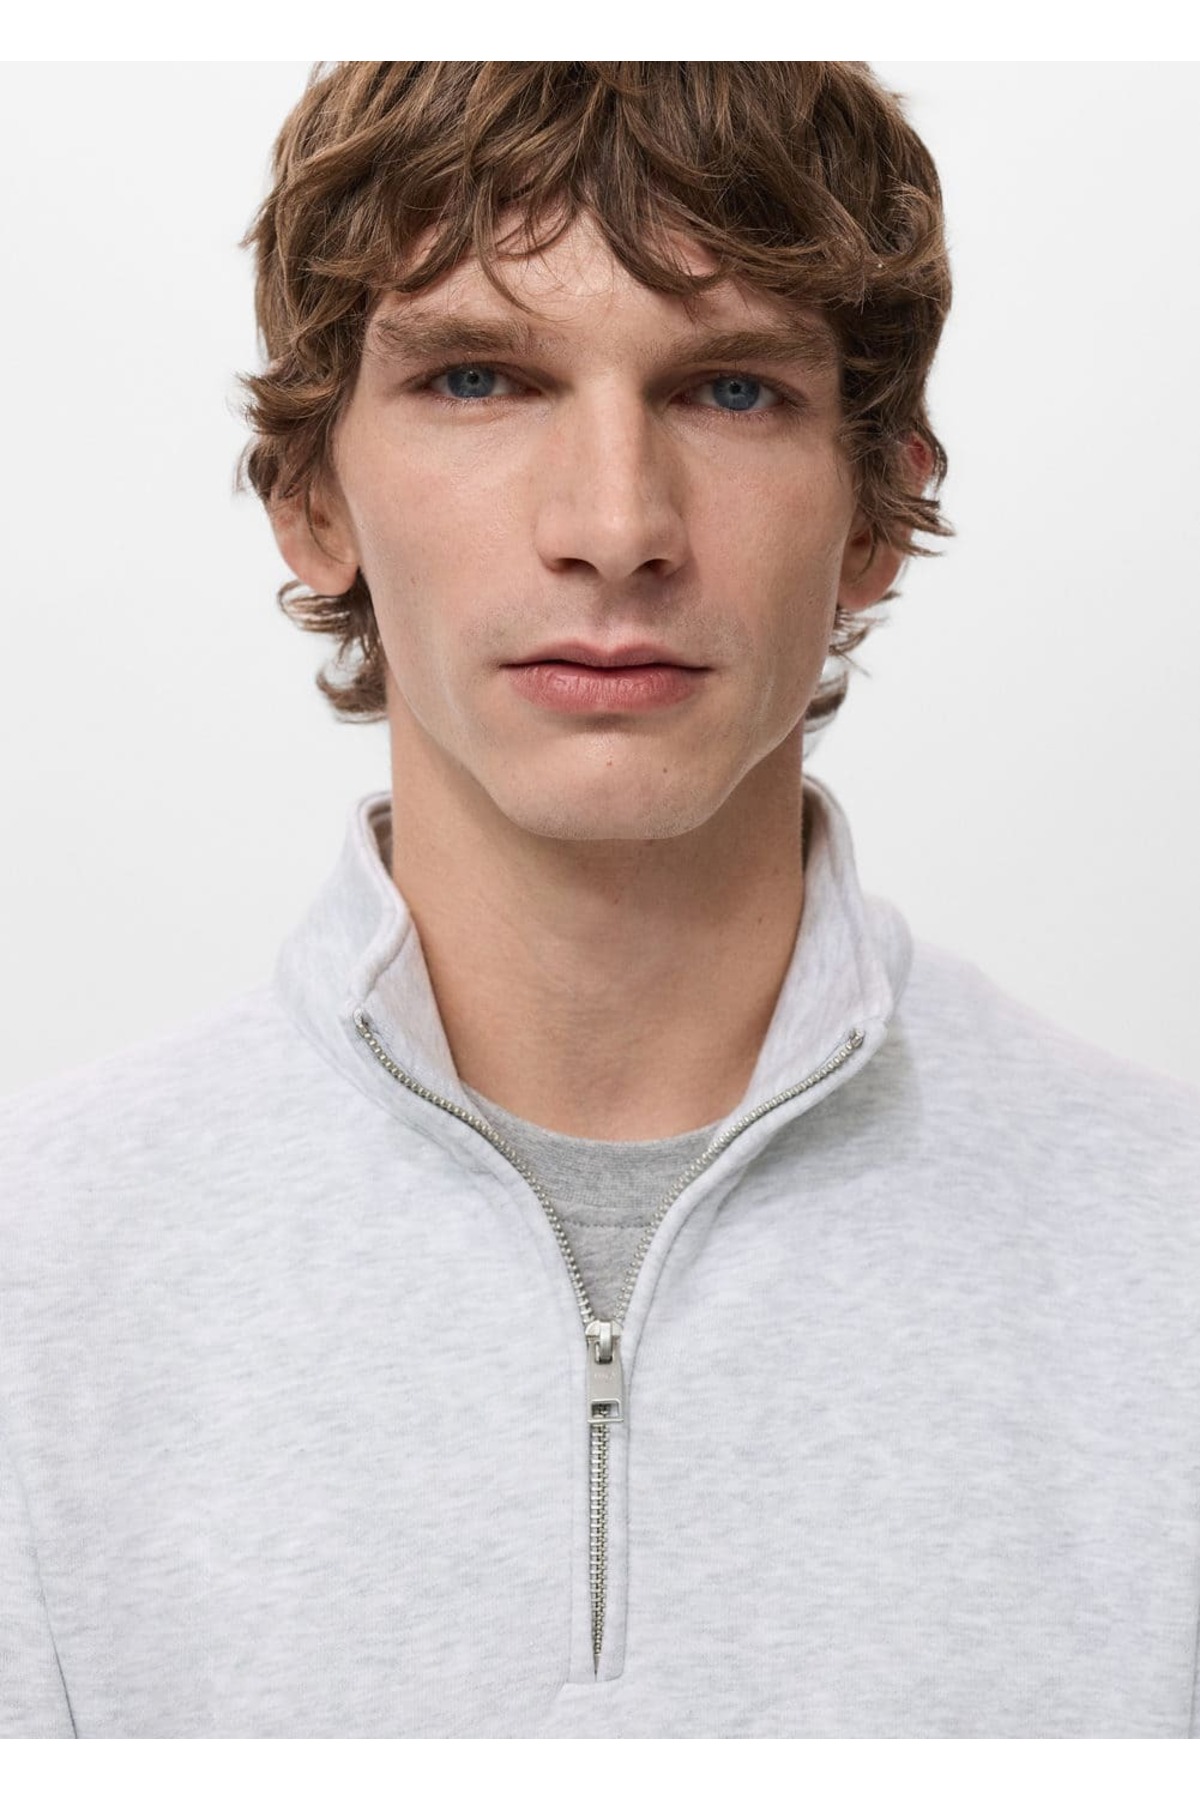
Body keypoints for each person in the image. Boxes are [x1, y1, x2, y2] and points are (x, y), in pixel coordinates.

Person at [1, 59, 1198, 1741]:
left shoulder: (1168, 1266)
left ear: (877, 510)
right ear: (312, 500)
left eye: (730, 391)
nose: (616, 527)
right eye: (481, 379)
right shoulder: (36, 1280)